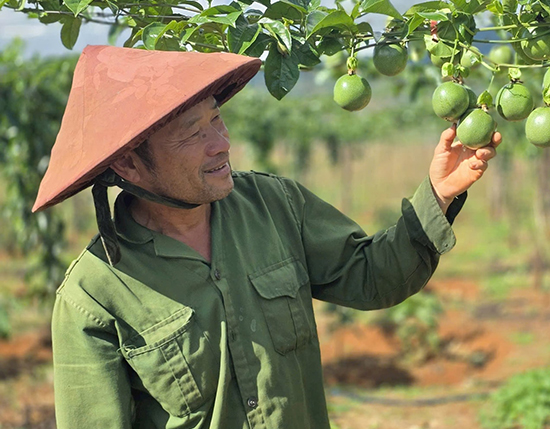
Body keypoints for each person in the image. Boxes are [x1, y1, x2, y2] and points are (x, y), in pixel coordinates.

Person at [36, 45, 500, 429]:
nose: (221, 142)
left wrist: (437, 196)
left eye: (215, 119)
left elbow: (373, 277)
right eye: (191, 134)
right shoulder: (93, 295)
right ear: (129, 165)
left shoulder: (275, 204)